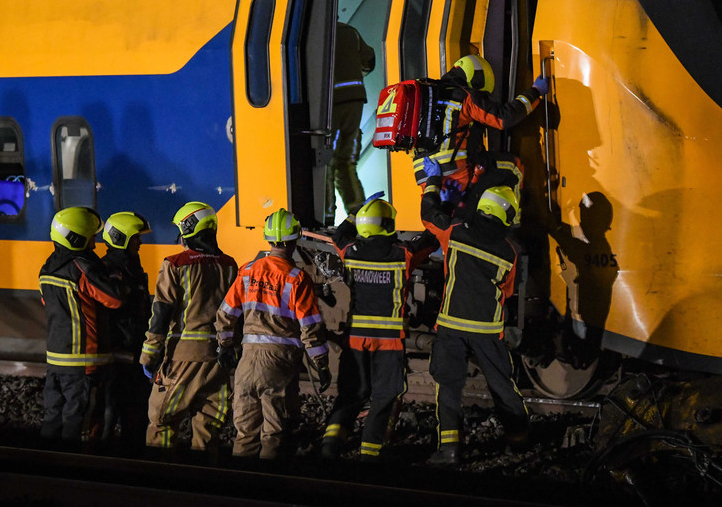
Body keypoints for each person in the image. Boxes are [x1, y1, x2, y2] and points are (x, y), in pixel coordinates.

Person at [420, 160, 530, 465]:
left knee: (448, 386)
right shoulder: (510, 251)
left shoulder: (455, 231)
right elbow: (507, 291)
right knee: (503, 385)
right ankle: (519, 440)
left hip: (451, 326)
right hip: (487, 329)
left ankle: (450, 448)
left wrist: (433, 182)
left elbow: (428, 215)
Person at [319, 196, 437, 460]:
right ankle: (369, 454)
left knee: (350, 394)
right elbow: (431, 240)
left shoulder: (349, 251)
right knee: (385, 394)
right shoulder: (403, 254)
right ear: (388, 224)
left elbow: (341, 233)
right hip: (388, 340)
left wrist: (355, 211)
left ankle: (329, 446)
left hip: (356, 339)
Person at [215, 208, 331, 460]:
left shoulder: (247, 271)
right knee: (273, 431)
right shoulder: (296, 278)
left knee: (244, 432)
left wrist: (224, 344)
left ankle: (240, 489)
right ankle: (268, 488)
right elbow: (310, 326)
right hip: (278, 362)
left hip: (247, 361)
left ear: (269, 238)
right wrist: (321, 364)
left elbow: (226, 312)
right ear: (293, 241)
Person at [142, 201, 239, 459]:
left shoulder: (175, 264)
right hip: (218, 358)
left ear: (188, 230)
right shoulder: (230, 265)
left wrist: (149, 355)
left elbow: (161, 313)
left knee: (161, 419)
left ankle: (157, 477)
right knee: (208, 424)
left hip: (182, 357)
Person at [38, 206, 126, 449]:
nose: (95, 244)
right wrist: (116, 276)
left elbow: (48, 303)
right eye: (91, 237)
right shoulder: (83, 268)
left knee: (54, 417)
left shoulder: (46, 268)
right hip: (84, 361)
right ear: (77, 238)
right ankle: (76, 469)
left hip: (56, 359)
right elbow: (114, 298)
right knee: (81, 423)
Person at [413, 54, 549, 208]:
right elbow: (502, 118)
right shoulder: (464, 96)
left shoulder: (428, 98)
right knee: (514, 167)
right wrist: (536, 91)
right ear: (476, 79)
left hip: (425, 177)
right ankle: (514, 225)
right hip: (456, 173)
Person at [99, 211, 153, 452]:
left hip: (134, 350)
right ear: (121, 238)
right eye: (135, 238)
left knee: (137, 409)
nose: (139, 243)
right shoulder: (109, 270)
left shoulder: (132, 267)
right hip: (117, 351)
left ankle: (132, 454)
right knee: (111, 408)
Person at [326, 21, 376, 220]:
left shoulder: (315, 31)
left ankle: (326, 216)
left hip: (330, 103)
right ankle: (359, 215)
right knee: (346, 162)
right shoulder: (350, 31)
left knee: (326, 161)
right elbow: (368, 61)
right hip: (355, 100)